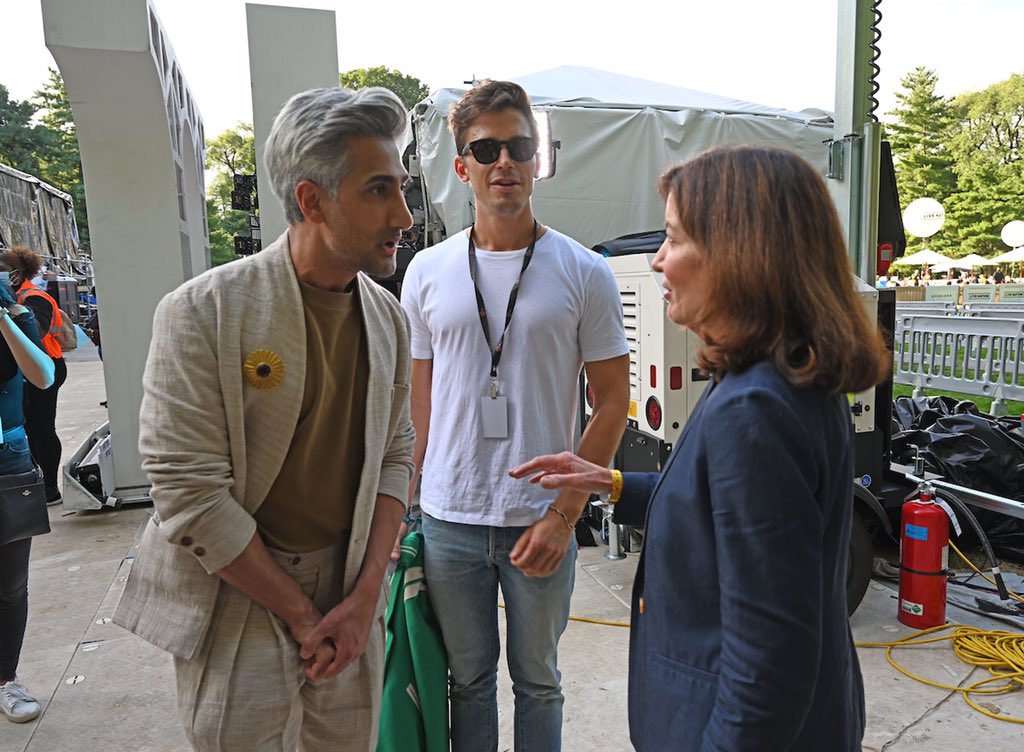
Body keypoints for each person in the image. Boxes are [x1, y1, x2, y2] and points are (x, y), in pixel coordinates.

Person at [511, 145, 890, 751]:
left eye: (674, 238)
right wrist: (607, 483)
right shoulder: (778, 379)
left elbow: (769, 662)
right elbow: (717, 510)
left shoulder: (755, 408)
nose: (658, 261)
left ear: (742, 254)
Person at [112, 86, 416, 750]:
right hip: (240, 588)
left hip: (352, 587)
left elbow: (397, 449)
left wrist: (366, 598)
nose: (405, 215)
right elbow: (189, 495)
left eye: (402, 188)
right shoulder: (202, 313)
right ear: (312, 200)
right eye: (378, 191)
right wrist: (305, 617)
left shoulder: (389, 317)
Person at [400, 80, 630, 751]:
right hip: (451, 518)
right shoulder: (426, 271)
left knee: (538, 682)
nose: (505, 161)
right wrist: (406, 507)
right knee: (468, 682)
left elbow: (612, 401)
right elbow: (419, 402)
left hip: (540, 519)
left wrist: (566, 515)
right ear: (461, 165)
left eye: (520, 146)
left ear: (538, 159)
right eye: (487, 148)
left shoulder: (585, 272)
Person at [0, 271, 55, 723]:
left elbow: (43, 375)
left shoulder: (16, 315)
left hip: (8, 456)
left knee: (10, 583)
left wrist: (3, 319)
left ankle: (5, 679)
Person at [0, 248, 67, 504]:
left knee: (42, 429)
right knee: (30, 429)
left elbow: (34, 338)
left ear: (15, 275)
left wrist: (10, 312)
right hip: (20, 375)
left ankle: (49, 488)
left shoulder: (34, 298)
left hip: (46, 367)